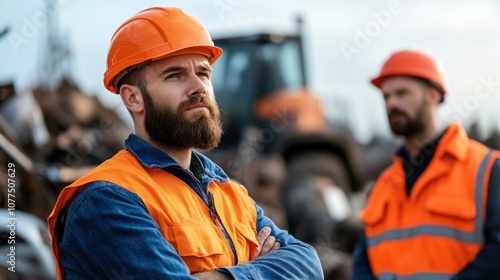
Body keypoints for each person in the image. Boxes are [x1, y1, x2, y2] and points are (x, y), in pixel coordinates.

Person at [47, 6, 323, 280]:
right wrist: (261, 269)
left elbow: (309, 265)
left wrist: (221, 277)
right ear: (133, 99)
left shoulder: (228, 192)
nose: (199, 87)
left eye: (203, 73)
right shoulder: (107, 198)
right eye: (175, 75)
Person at [352, 50, 500, 279]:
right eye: (386, 96)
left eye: (402, 93)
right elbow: (363, 260)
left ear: (432, 95)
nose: (392, 103)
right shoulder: (384, 185)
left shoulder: (488, 169)